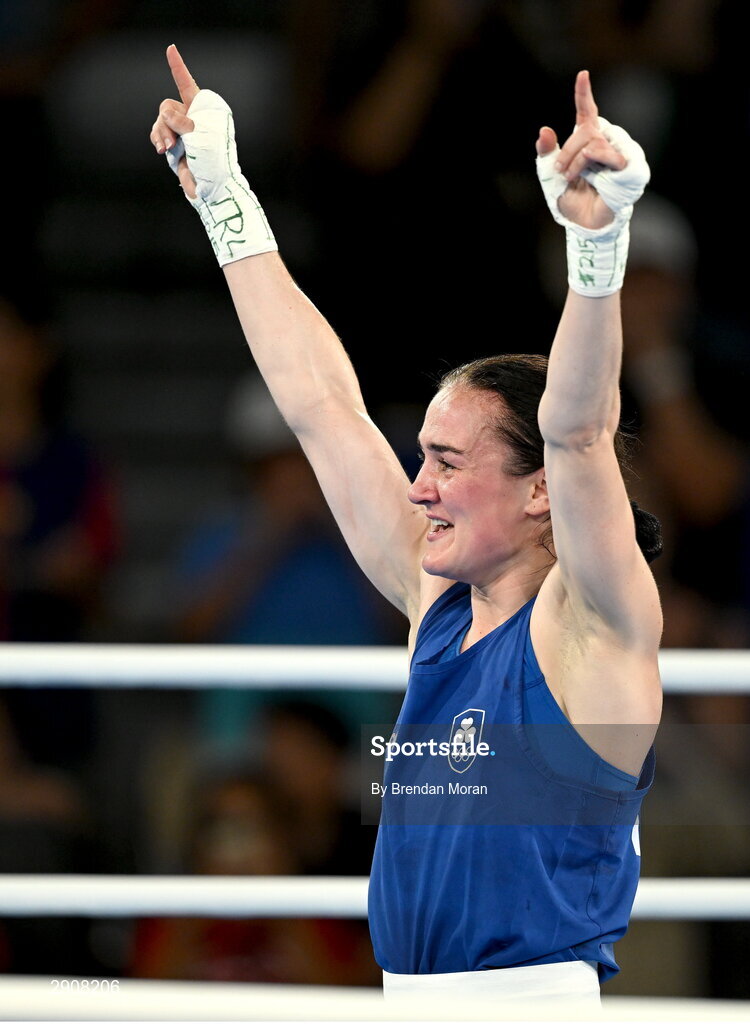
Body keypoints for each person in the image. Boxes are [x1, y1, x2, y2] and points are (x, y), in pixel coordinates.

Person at [150, 46, 662, 1004]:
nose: (416, 488)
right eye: (421, 457)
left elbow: (580, 429)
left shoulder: (593, 624)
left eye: (448, 462)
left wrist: (597, 251)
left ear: (539, 490)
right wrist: (224, 197)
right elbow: (319, 404)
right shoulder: (438, 603)